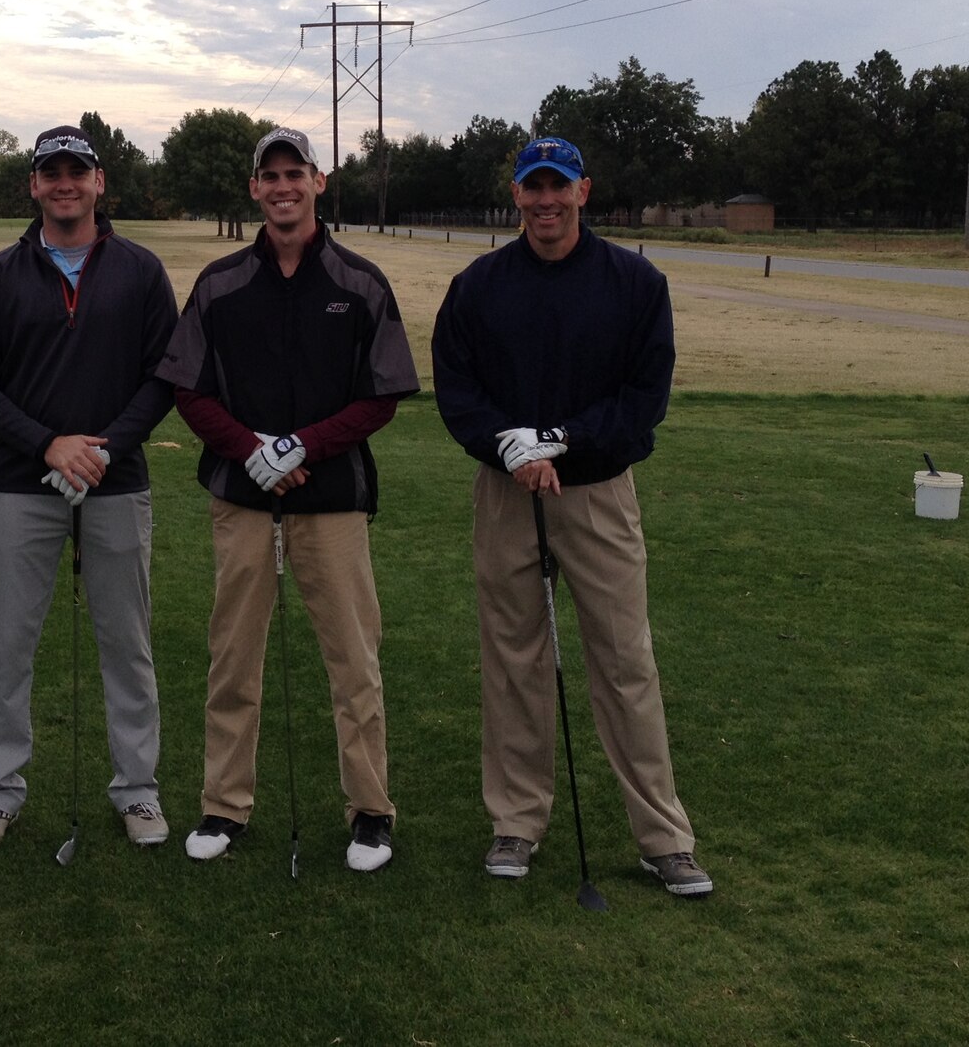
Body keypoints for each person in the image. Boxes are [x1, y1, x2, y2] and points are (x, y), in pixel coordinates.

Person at [430, 135, 710, 896]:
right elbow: (456, 386)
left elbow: (642, 400)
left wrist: (560, 439)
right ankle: (516, 822)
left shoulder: (634, 282)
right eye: (533, 187)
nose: (546, 200)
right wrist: (507, 445)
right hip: (505, 490)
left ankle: (663, 837)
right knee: (515, 660)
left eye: (559, 186)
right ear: (516, 195)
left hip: (597, 490)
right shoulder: (479, 285)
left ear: (585, 191)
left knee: (624, 662)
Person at [157, 127, 419, 872]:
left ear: (318, 180)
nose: (282, 186)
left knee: (354, 662)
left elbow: (383, 395)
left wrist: (304, 446)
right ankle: (224, 806)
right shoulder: (219, 284)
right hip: (242, 499)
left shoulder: (360, 283)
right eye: (269, 175)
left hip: (333, 501)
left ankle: (370, 813)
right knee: (233, 660)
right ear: (254, 189)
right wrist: (251, 449)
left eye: (294, 173)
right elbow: (188, 387)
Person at [0, 124, 180, 851]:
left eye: (76, 171)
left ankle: (138, 791)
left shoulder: (141, 271)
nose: (64, 184)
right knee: (8, 646)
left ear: (99, 182)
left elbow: (163, 376)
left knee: (127, 645)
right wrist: (46, 443)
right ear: (34, 185)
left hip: (117, 483)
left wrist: (103, 450)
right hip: (23, 483)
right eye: (50, 172)